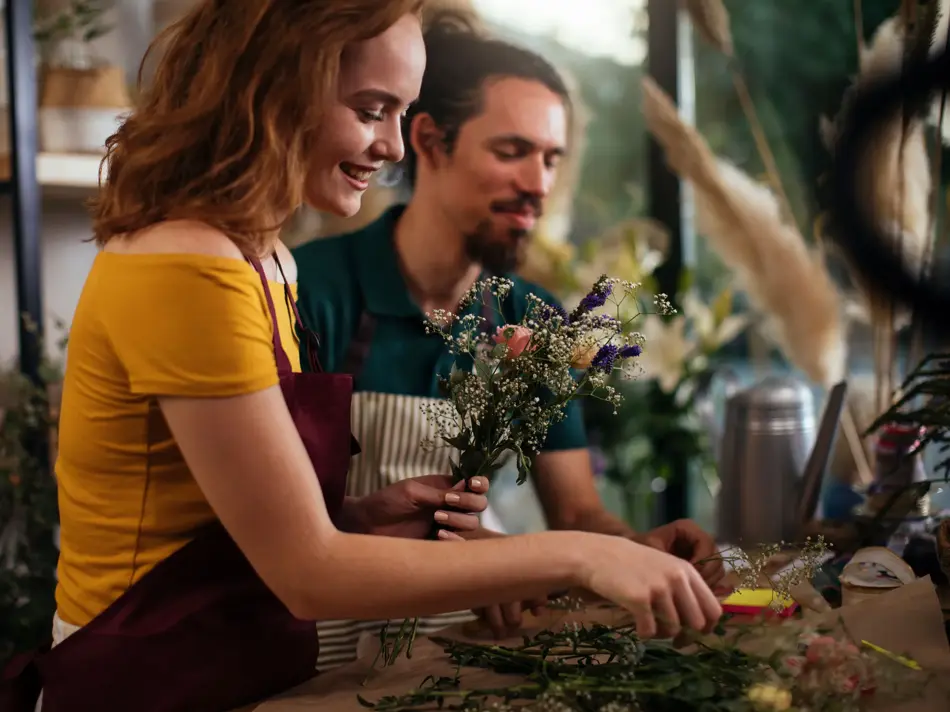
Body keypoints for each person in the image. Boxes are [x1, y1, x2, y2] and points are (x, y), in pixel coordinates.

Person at [0, 3, 722, 712]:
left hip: (236, 667)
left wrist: (359, 516)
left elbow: (206, 515)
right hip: (148, 681)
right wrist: (578, 555)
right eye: (372, 109)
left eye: (399, 114)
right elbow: (307, 573)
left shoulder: (263, 259)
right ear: (275, 89)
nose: (393, 149)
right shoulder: (188, 264)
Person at [293, 10, 725, 668]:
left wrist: (638, 549)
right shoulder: (314, 290)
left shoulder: (532, 318)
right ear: (431, 141)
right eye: (512, 151)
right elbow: (279, 531)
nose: (539, 184)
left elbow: (576, 513)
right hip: (312, 654)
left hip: (460, 655)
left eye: (551, 158)